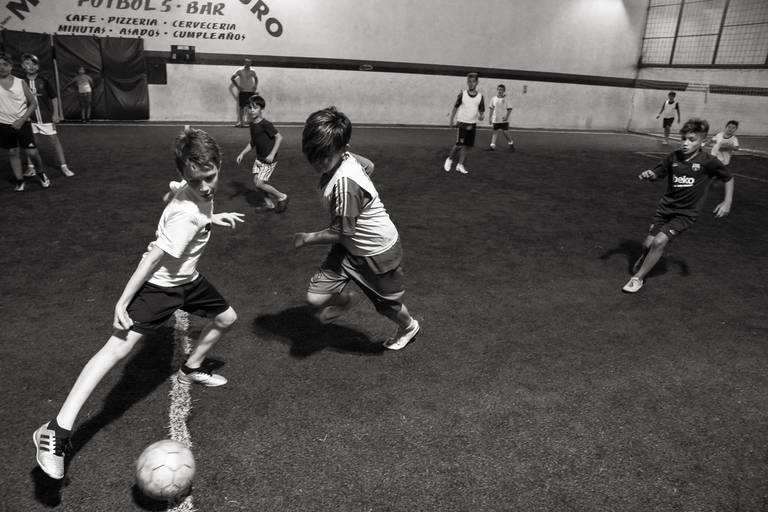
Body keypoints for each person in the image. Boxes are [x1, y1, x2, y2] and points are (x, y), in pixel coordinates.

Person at [33, 127, 245, 480]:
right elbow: (151, 260)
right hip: (161, 287)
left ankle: (191, 368)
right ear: (185, 175)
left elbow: (174, 194)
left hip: (187, 280)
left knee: (227, 317)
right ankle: (55, 430)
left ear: (217, 165)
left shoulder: (189, 191)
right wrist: (123, 300)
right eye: (197, 181)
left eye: (210, 177)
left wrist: (210, 216)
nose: (206, 186)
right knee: (116, 350)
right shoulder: (185, 215)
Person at [293, 106, 420, 350]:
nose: (318, 162)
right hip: (349, 247)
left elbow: (339, 232)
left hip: (377, 252)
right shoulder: (347, 159)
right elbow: (369, 165)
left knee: (387, 306)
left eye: (325, 156)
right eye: (314, 155)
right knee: (315, 296)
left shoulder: (344, 185)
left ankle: (409, 327)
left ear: (343, 150)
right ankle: (345, 302)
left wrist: (306, 238)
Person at [623, 118, 734, 293]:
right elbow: (657, 173)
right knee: (647, 245)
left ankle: (638, 279)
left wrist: (727, 202)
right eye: (683, 139)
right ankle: (645, 257)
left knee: (659, 242)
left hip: (686, 214)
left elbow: (728, 177)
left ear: (702, 142)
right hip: (665, 210)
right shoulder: (673, 157)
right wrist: (649, 174)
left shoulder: (708, 161)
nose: (685, 143)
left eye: (692, 140)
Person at [20, 53, 75, 179]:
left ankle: (64, 166)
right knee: (31, 143)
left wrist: (56, 113)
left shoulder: (44, 80)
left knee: (54, 140)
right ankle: (31, 168)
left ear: (38, 67)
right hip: (30, 118)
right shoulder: (21, 82)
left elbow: (54, 97)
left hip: (46, 117)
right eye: (28, 64)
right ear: (23, 66)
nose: (31, 66)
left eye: (34, 64)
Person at [0, 52, 47, 191]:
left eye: (5, 64)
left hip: (23, 124)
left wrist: (21, 120)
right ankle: (20, 181)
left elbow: (33, 103)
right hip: (4, 125)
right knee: (13, 152)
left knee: (32, 152)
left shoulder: (20, 82)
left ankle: (41, 173)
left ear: (11, 67)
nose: (1, 67)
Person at [235, 94, 288, 213]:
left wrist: (272, 154)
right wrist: (242, 153)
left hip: (268, 160)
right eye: (250, 107)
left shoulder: (266, 124)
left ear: (261, 109)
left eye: (255, 107)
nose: (252, 110)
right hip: (259, 159)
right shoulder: (252, 124)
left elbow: (279, 137)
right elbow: (253, 142)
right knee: (256, 182)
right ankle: (269, 204)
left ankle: (282, 196)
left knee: (259, 183)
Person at [444, 72, 485, 174]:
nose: (471, 84)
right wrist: (451, 120)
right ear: (467, 82)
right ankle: (449, 159)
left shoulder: (480, 96)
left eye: (473, 82)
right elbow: (455, 107)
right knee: (459, 145)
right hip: (462, 123)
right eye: (469, 82)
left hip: (472, 124)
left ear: (477, 83)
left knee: (467, 146)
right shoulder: (462, 95)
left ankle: (460, 165)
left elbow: (481, 111)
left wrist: (481, 116)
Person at [230, 58, 258, 127]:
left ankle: (250, 121)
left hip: (251, 92)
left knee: (250, 107)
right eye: (247, 63)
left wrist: (255, 86)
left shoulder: (253, 71)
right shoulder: (239, 70)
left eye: (250, 63)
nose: (249, 64)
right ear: (244, 63)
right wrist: (237, 86)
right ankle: (240, 122)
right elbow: (232, 78)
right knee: (241, 107)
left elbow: (256, 78)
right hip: (243, 92)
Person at [488, 83, 514, 151]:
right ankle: (492, 146)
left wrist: (506, 117)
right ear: (497, 90)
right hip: (495, 119)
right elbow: (491, 108)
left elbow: (509, 109)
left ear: (504, 90)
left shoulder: (507, 99)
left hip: (503, 119)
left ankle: (511, 143)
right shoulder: (493, 99)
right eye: (499, 89)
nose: (500, 91)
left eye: (501, 90)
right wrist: (490, 118)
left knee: (505, 132)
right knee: (495, 132)